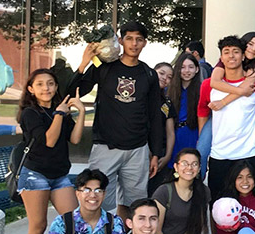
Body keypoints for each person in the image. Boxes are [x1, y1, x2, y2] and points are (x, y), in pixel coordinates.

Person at [69, 21, 165, 216]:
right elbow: (75, 91)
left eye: (139, 39)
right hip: (106, 146)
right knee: (97, 202)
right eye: (129, 38)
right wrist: (84, 63)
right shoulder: (104, 67)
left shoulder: (149, 74)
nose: (134, 44)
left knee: (134, 205)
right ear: (120, 41)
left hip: (137, 149)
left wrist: (155, 152)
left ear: (145, 43)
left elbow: (155, 115)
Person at [18, 68, 84, 234]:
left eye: (50, 84)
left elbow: (74, 139)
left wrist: (81, 113)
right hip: (35, 174)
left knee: (74, 223)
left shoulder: (61, 112)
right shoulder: (30, 113)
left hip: (59, 175)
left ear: (56, 87)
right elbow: (49, 140)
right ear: (31, 89)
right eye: (40, 84)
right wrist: (59, 114)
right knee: (39, 225)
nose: (46, 88)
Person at [203, 31, 255, 183]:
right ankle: (197, 181)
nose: (253, 49)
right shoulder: (224, 61)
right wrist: (240, 92)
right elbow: (215, 82)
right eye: (250, 44)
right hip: (220, 132)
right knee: (202, 147)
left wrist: (223, 102)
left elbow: (246, 87)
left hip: (252, 116)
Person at [197, 36, 255, 200]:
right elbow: (203, 111)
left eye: (236, 52)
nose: (231, 56)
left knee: (250, 206)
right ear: (221, 57)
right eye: (226, 52)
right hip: (220, 155)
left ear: (243, 55)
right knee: (217, 205)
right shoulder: (209, 85)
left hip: (248, 153)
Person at [153, 149, 219, 234]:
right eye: (184, 163)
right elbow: (157, 230)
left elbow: (195, 227)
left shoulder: (203, 191)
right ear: (176, 167)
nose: (189, 168)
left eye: (194, 164)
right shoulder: (164, 191)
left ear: (199, 169)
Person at [167, 53, 201, 173]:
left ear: (197, 69)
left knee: (190, 170)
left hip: (193, 135)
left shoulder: (202, 90)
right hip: (173, 135)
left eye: (191, 67)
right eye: (183, 67)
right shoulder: (169, 91)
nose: (187, 71)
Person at [148, 62, 176, 194]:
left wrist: (167, 156)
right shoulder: (142, 97)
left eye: (169, 77)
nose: (165, 78)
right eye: (161, 73)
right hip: (140, 151)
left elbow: (170, 132)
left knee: (156, 192)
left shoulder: (167, 103)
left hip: (161, 152)